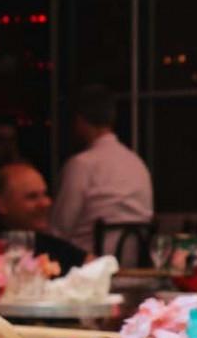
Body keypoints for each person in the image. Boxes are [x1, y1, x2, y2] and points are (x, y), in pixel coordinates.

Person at [50, 86, 153, 256]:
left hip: (88, 270)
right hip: (133, 269)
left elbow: (60, 229)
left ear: (79, 120)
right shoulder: (138, 164)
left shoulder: (82, 165)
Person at [0, 161, 87, 270]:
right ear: (2, 205)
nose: (46, 203)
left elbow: (95, 265)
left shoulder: (51, 246)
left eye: (45, 194)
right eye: (32, 197)